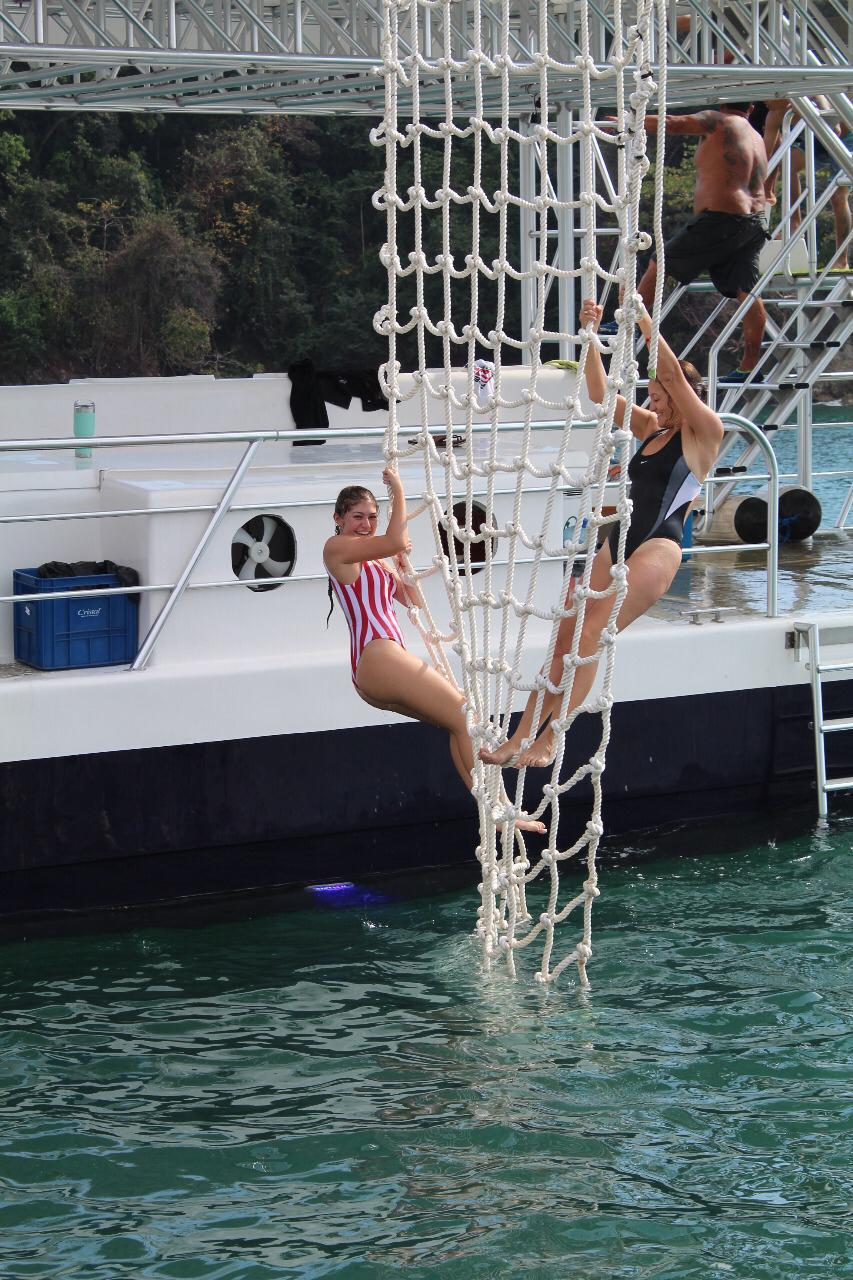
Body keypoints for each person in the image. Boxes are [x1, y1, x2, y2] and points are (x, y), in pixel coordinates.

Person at [480, 298, 724, 769]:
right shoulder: (652, 428)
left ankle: (552, 740)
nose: (652, 402)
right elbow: (598, 394)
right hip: (619, 543)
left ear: (681, 396)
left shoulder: (705, 432)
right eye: (650, 395)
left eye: (658, 395)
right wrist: (591, 336)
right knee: (565, 634)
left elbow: (672, 373)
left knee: (591, 632)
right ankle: (519, 736)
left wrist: (645, 322)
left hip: (658, 548)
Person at [324, 472, 546, 832]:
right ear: (339, 519)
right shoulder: (335, 550)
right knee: (464, 715)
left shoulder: (376, 560)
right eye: (357, 517)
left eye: (371, 516)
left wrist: (399, 566)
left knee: (459, 723)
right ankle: (500, 811)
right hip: (376, 654)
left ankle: (496, 811)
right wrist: (398, 490)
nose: (366, 524)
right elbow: (395, 538)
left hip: (380, 661)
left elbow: (410, 598)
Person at [634, 104, 768, 381]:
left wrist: (629, 120)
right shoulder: (755, 135)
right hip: (755, 220)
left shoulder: (719, 121)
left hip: (723, 219)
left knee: (660, 262)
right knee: (747, 291)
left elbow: (673, 122)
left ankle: (625, 324)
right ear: (751, 106)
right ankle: (750, 368)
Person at [758, 97, 851, 271]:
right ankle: (795, 223)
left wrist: (804, 111)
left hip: (845, 138)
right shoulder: (774, 115)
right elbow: (764, 159)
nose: (765, 102)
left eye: (769, 97)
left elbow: (835, 129)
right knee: (788, 165)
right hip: (818, 137)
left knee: (839, 196)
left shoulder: (809, 96)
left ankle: (842, 259)